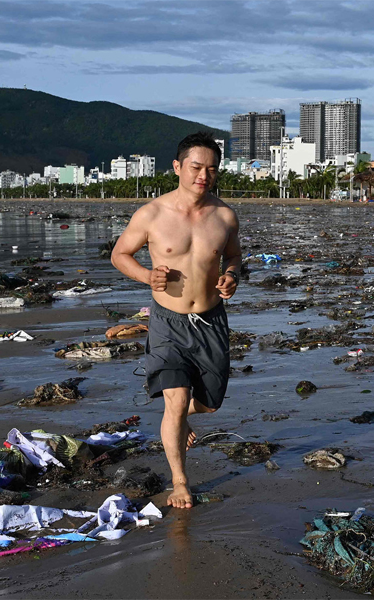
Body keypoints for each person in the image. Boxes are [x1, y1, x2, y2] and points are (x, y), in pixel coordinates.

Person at [110, 132, 241, 509]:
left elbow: (233, 256)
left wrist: (231, 276)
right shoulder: (152, 214)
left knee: (211, 403)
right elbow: (121, 254)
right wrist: (144, 275)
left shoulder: (224, 215)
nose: (204, 175)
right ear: (178, 167)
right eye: (196, 167)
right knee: (176, 400)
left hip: (212, 320)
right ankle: (180, 482)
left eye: (211, 169)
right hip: (168, 320)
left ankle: (180, 418)